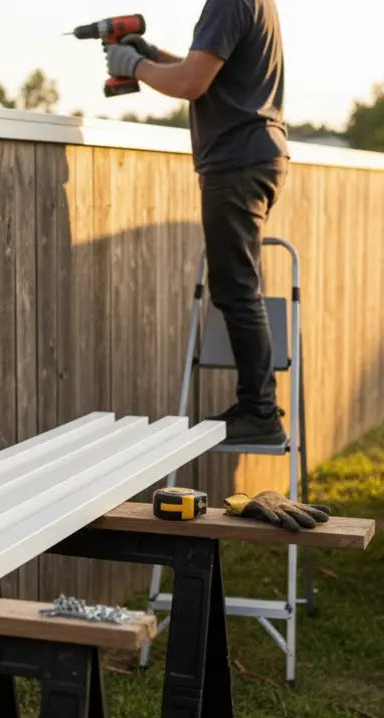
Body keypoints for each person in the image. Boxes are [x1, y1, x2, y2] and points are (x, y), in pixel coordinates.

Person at [103, 0, 289, 445]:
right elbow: (200, 71)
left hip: (237, 163)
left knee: (237, 290)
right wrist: (150, 55)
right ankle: (255, 407)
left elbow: (190, 83)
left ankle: (260, 413)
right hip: (254, 156)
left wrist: (136, 65)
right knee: (238, 287)